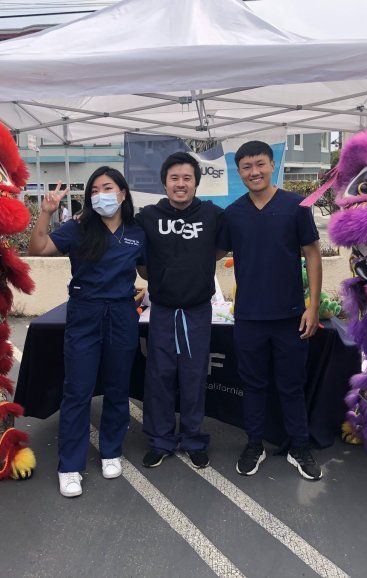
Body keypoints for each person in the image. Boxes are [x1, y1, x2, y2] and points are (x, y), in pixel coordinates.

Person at [28, 167, 146, 498]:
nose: (100, 195)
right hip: (85, 313)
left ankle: (111, 450)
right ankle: (70, 465)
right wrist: (45, 214)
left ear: (122, 193)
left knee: (117, 386)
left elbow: (147, 268)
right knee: (78, 390)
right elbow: (39, 249)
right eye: (94, 190)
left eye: (107, 188)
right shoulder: (79, 228)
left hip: (122, 314)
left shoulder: (137, 232)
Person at [217, 141, 323, 481]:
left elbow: (313, 254)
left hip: (291, 315)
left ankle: (300, 446)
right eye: (246, 167)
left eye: (259, 164)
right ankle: (254, 444)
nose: (254, 172)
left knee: (291, 385)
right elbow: (209, 254)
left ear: (272, 164)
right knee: (253, 385)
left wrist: (313, 306)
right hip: (249, 316)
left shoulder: (295, 206)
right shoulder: (233, 213)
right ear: (239, 172)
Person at [135, 152, 223, 470]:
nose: (181, 184)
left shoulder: (213, 215)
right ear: (165, 183)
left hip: (198, 310)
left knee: (194, 376)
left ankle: (194, 438)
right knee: (159, 376)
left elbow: (222, 247)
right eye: (175, 178)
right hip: (162, 311)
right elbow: (139, 260)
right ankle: (160, 440)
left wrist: (198, 268)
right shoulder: (147, 216)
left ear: (196, 182)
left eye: (187, 178)